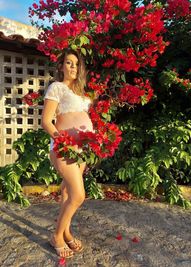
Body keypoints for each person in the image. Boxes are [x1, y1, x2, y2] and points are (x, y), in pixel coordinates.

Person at [41, 48, 93, 258]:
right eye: (69, 63)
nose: (73, 67)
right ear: (61, 66)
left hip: (81, 152)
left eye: (76, 63)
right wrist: (64, 142)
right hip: (64, 150)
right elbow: (46, 121)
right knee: (79, 195)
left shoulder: (80, 94)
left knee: (67, 193)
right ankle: (57, 236)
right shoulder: (57, 88)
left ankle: (67, 232)